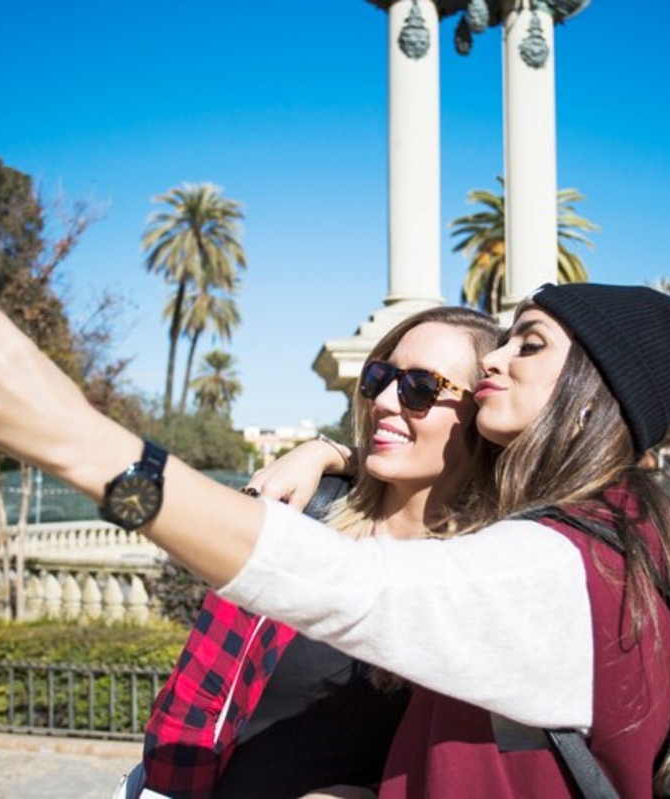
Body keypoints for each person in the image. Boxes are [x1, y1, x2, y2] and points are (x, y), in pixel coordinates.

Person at [0, 283, 670, 799]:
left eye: (528, 346)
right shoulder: (603, 535)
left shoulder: (559, 566)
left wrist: (78, 440)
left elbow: (353, 586)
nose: (498, 361)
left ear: (590, 396)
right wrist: (333, 454)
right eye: (381, 379)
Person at [119, 306, 501, 798]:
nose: (384, 400)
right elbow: (195, 700)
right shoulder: (301, 515)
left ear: (480, 415)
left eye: (421, 388)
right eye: (380, 376)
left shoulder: (491, 573)